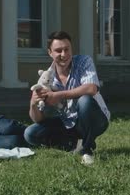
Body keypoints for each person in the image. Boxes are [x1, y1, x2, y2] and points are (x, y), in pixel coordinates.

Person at [24, 30, 110, 165]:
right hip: (68, 124)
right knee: (30, 133)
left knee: (85, 100)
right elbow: (38, 118)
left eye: (67, 49)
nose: (64, 54)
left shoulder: (83, 61)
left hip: (96, 119)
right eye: (58, 51)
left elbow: (91, 88)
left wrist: (58, 95)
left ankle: (87, 151)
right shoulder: (46, 78)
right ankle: (74, 145)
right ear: (50, 52)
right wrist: (33, 104)